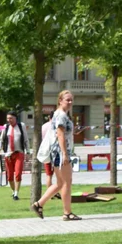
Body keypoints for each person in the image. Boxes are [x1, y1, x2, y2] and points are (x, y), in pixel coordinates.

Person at [32, 90, 80, 221]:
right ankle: (67, 212)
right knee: (66, 182)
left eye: (71, 100)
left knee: (60, 183)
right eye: (67, 100)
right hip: (60, 152)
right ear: (60, 101)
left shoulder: (63, 115)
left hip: (59, 152)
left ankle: (39, 204)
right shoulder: (61, 115)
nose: (70, 102)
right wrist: (64, 154)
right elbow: (60, 134)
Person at [0, 111, 27, 200]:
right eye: (8, 118)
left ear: (15, 118)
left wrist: (28, 151)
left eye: (11, 118)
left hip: (19, 153)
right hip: (8, 154)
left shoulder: (21, 126)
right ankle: (13, 190)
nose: (9, 120)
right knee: (10, 176)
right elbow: (1, 140)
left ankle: (16, 193)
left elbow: (26, 139)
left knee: (18, 174)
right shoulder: (5, 127)